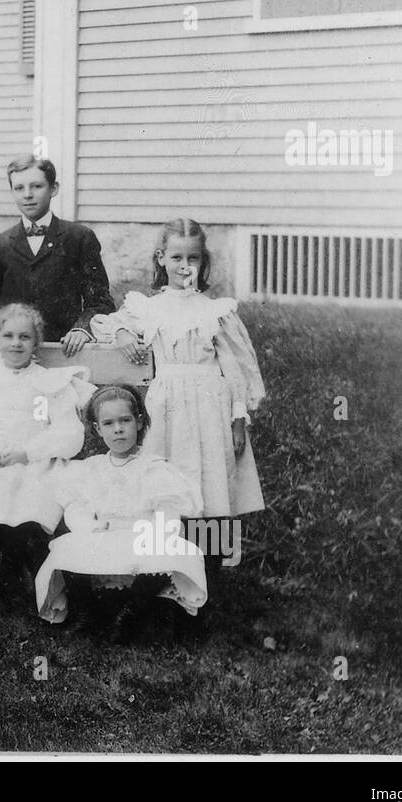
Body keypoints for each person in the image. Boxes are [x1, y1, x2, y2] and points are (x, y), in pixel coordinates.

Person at [90, 218, 266, 599]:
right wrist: (123, 336)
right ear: (161, 258)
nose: (185, 266)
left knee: (213, 491)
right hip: (167, 409)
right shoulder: (148, 308)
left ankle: (209, 585)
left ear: (204, 262)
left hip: (211, 409)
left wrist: (238, 419)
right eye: (176, 257)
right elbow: (105, 325)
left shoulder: (215, 310)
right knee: (167, 491)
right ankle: (164, 581)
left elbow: (235, 370)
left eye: (194, 258)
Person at [36, 384, 206, 643]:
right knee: (67, 550)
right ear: (97, 429)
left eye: (125, 420)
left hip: (142, 535)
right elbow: (76, 507)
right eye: (109, 423)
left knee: (164, 555)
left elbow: (167, 510)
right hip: (104, 534)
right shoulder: (92, 468)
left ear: (138, 422)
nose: (118, 429)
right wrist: (88, 528)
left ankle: (132, 609)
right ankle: (87, 610)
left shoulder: (154, 468)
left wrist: (158, 533)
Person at [0, 303, 94, 589]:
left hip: (35, 461)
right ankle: (15, 555)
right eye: (8, 336)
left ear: (36, 341)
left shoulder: (48, 381)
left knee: (31, 499)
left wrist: (28, 453)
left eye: (24, 337)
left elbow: (69, 434)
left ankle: (28, 560)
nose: (16, 343)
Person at [0, 155, 116, 356]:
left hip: (66, 350)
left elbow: (101, 301)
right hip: (14, 353)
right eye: (19, 188)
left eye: (36, 186)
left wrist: (82, 329)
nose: (27, 195)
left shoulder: (79, 238)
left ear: (54, 188)